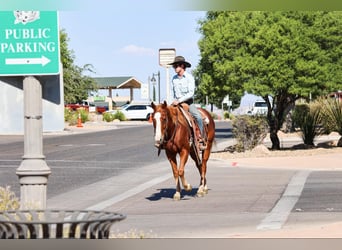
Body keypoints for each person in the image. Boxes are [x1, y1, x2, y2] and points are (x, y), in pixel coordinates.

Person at [168, 56, 206, 150]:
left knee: (198, 117)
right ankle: (165, 139)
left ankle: (200, 137)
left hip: (188, 103)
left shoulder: (189, 77)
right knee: (166, 117)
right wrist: (172, 102)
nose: (175, 68)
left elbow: (191, 93)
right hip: (176, 103)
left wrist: (179, 101)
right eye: (174, 66)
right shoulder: (174, 79)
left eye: (176, 66)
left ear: (182, 66)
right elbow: (173, 92)